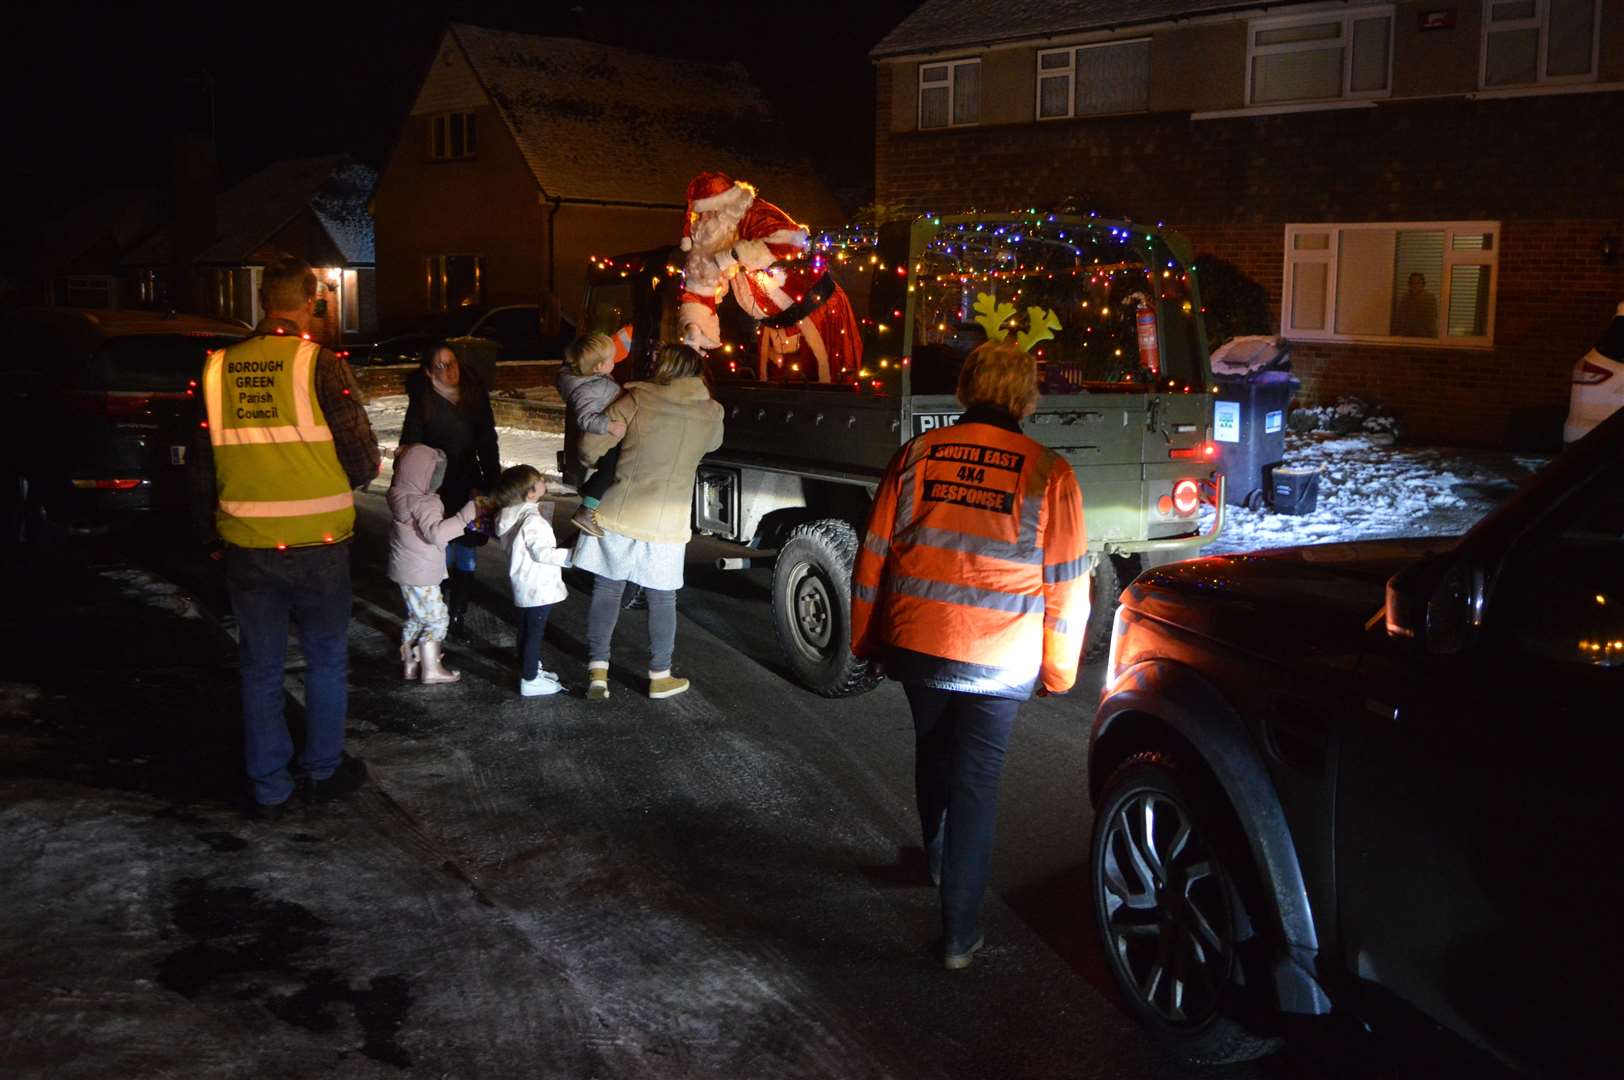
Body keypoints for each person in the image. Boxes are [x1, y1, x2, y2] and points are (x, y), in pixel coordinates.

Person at [850, 340, 1088, 970]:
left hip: (919, 645)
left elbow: (873, 555)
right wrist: (1058, 670)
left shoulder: (918, 455)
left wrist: (866, 639)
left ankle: (934, 856)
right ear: (1025, 396)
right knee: (977, 785)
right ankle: (959, 933)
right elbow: (1066, 584)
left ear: (965, 388)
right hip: (1002, 657)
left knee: (934, 751)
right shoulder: (1048, 472)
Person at [194, 254, 381, 819]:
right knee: (325, 660)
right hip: (319, 543)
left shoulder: (216, 367)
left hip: (248, 544)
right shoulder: (319, 364)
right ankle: (322, 770)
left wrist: (210, 533)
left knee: (260, 666)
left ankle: (269, 783)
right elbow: (363, 459)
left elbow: (201, 466)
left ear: (260, 303)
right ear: (308, 304)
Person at [572, 343, 724, 701]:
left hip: (620, 513)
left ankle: (597, 672)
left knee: (608, 590)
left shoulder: (637, 400)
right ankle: (660, 675)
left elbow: (588, 449)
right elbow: (714, 445)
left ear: (664, 367)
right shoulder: (711, 412)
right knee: (663, 598)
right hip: (668, 522)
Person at [677, 170, 863, 383]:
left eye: (711, 212)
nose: (705, 220)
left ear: (727, 206)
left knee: (826, 390)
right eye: (701, 214)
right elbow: (699, 290)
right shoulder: (711, 239)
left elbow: (791, 241)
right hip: (773, 327)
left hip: (817, 312)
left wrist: (735, 255)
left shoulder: (755, 215)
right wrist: (693, 328)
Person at [401, 342, 501, 642]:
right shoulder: (423, 401)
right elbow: (412, 445)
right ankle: (437, 610)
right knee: (440, 547)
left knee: (468, 549)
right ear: (429, 372)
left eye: (453, 362)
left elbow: (488, 441)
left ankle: (459, 612)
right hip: (437, 487)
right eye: (441, 365)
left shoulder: (474, 395)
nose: (450, 369)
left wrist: (491, 485)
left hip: (473, 482)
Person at [387, 444, 481, 685]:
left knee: (416, 618)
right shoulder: (424, 503)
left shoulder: (400, 495)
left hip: (405, 569)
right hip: (421, 573)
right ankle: (432, 669)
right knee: (437, 618)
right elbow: (437, 535)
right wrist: (466, 515)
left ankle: (410, 663)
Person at [491, 464, 573, 697]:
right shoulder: (532, 520)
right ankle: (530, 679)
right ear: (530, 492)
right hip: (539, 584)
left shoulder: (509, 515)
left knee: (526, 629)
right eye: (539, 479)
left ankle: (529, 666)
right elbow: (543, 553)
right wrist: (571, 556)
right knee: (534, 632)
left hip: (524, 582)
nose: (543, 481)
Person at [558, 327, 632, 536]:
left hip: (605, 437)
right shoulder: (586, 389)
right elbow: (585, 418)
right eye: (611, 358)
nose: (614, 360)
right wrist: (609, 425)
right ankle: (586, 511)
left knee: (608, 472)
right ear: (599, 367)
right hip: (603, 439)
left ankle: (589, 491)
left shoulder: (593, 380)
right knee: (609, 472)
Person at [1393, 272, 1438, 338]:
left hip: (1423, 337)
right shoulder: (1405, 298)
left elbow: (1431, 321)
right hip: (1406, 336)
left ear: (1423, 284)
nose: (1414, 285)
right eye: (1411, 283)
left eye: (1417, 283)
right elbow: (1400, 319)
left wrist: (1433, 338)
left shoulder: (1429, 298)